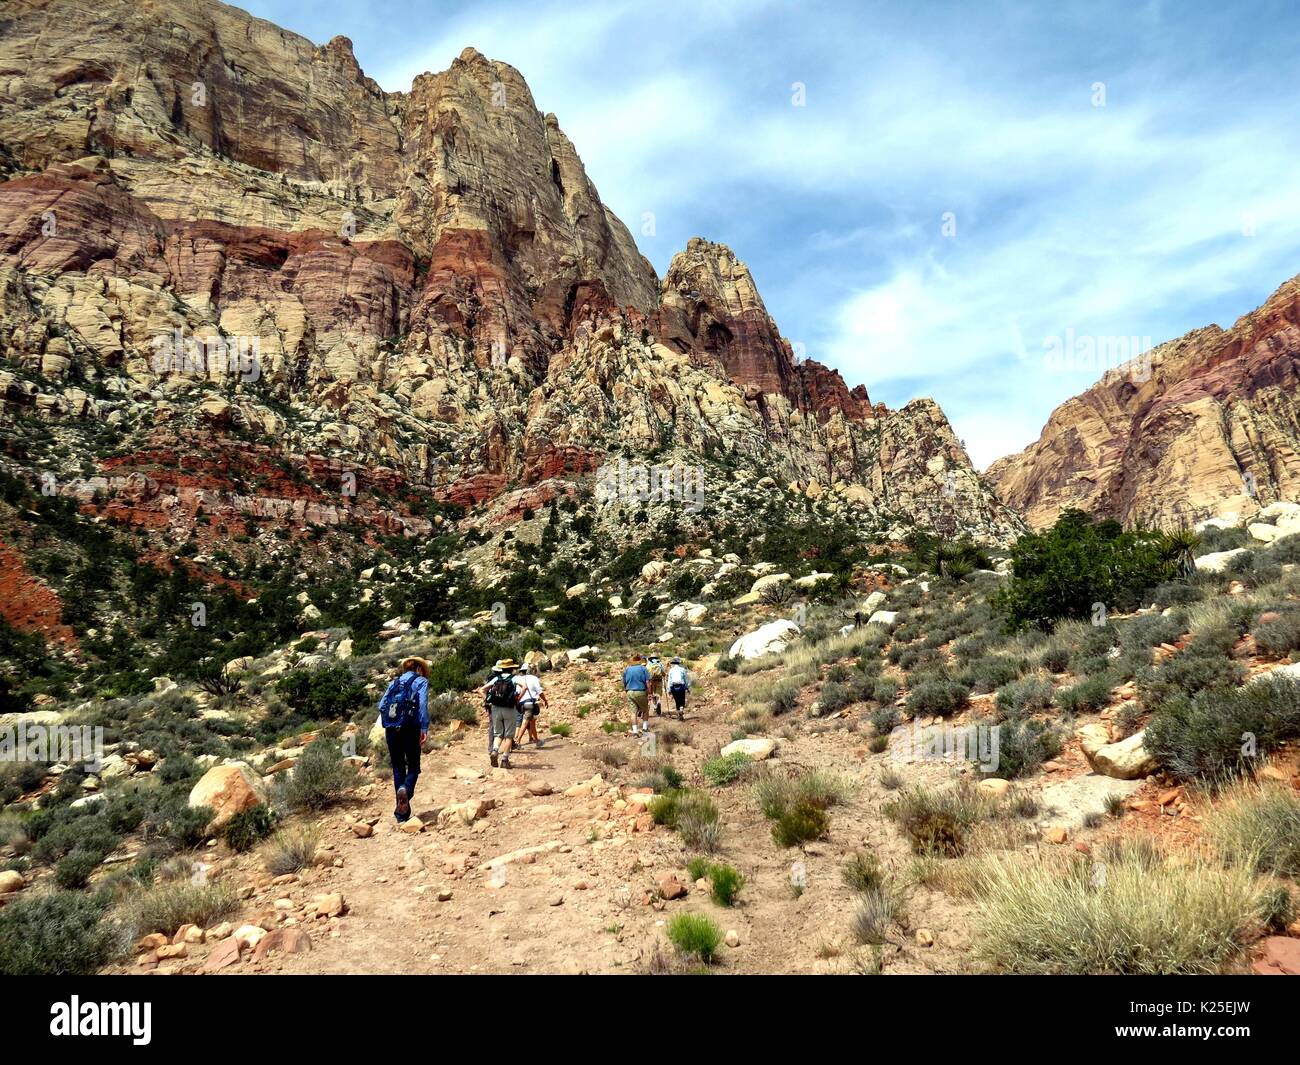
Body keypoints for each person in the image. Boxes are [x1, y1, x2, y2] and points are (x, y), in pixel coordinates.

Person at [376, 656, 430, 823]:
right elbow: (422, 705)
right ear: (419, 668)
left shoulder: (394, 682)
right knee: (413, 766)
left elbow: (381, 705)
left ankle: (401, 816)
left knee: (398, 767)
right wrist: (424, 727)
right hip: (410, 728)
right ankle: (405, 790)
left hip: (391, 729)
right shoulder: (421, 681)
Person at [483, 658, 522, 769]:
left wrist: (488, 700)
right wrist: (518, 699)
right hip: (509, 708)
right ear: (511, 669)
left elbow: (482, 689)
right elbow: (525, 687)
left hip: (495, 709)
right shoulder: (514, 678)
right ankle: (504, 760)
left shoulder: (496, 678)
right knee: (509, 736)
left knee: (498, 734)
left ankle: (495, 750)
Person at [513, 663, 549, 749]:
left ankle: (537, 741)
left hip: (520, 704)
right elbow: (539, 692)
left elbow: (517, 692)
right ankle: (517, 742)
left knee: (532, 721)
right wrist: (545, 700)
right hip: (529, 704)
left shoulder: (518, 678)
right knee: (525, 722)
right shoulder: (534, 678)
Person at [622, 653, 650, 736]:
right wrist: (650, 692)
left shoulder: (627, 669)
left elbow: (624, 681)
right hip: (640, 691)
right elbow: (648, 681)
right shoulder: (643, 668)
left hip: (630, 691)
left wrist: (626, 690)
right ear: (640, 660)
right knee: (645, 710)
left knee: (633, 712)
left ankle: (635, 731)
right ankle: (645, 728)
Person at [667, 656, 690, 721]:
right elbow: (686, 679)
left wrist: (669, 690)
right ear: (679, 663)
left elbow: (669, 681)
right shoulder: (682, 669)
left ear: (674, 663)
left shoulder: (671, 670)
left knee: (677, 701)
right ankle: (681, 711)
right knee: (682, 700)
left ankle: (679, 715)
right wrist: (687, 687)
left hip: (674, 687)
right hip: (681, 687)